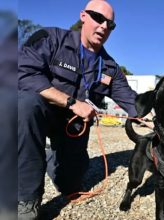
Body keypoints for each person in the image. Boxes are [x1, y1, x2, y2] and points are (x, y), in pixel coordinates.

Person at [18, 1, 137, 219]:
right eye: (97, 18)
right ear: (83, 16)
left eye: (110, 24)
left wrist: (155, 114)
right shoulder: (51, 39)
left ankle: (53, 158)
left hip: (73, 127)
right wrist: (72, 103)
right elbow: (24, 74)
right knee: (25, 104)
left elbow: (132, 101)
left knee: (70, 185)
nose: (103, 27)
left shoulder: (110, 67)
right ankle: (27, 199)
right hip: (41, 114)